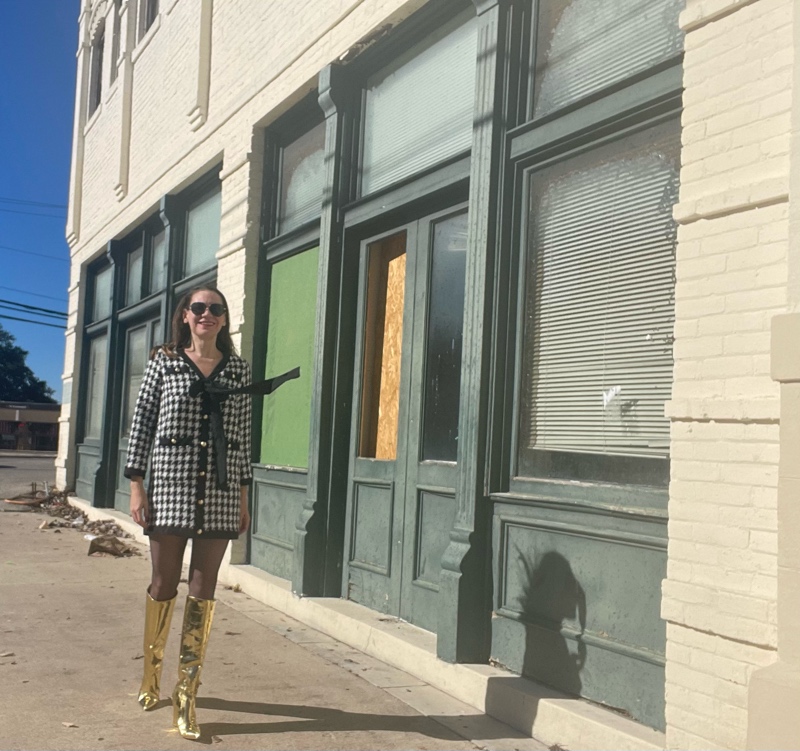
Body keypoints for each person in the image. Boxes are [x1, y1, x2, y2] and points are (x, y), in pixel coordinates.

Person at [124, 284, 253, 740]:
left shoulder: (238, 370)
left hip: (218, 491)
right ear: (185, 315)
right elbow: (141, 425)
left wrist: (242, 495)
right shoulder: (165, 363)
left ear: (223, 318)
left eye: (216, 309)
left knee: (204, 589)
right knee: (163, 584)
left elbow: (242, 437)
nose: (207, 315)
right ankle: (151, 675)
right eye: (199, 308)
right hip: (170, 489)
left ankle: (186, 694)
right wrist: (137, 486)